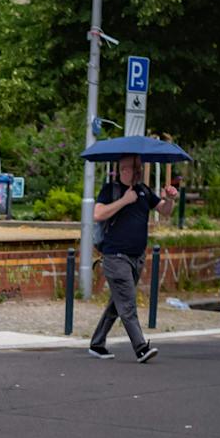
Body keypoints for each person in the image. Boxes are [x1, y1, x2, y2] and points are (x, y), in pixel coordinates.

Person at [88, 155, 178, 362]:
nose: (137, 171)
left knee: (117, 303)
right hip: (115, 256)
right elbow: (98, 214)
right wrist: (124, 201)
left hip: (136, 258)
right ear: (122, 170)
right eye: (132, 168)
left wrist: (170, 198)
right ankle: (140, 348)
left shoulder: (144, 190)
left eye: (139, 167)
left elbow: (164, 211)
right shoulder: (111, 190)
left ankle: (97, 343)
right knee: (127, 303)